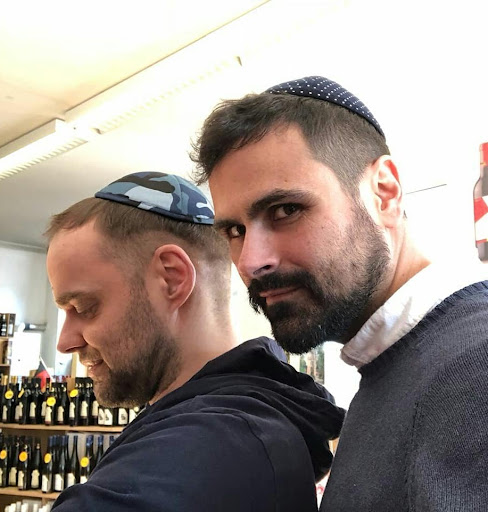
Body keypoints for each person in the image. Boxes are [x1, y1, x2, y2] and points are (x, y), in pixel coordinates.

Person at [191, 76, 488, 511]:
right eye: (235, 230)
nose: (252, 261)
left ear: (384, 193)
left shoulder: (475, 367)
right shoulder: (390, 368)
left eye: (286, 210)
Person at [45, 171, 344, 511]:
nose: (65, 342)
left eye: (83, 307)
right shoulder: (254, 420)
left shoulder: (208, 448)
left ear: (171, 278)